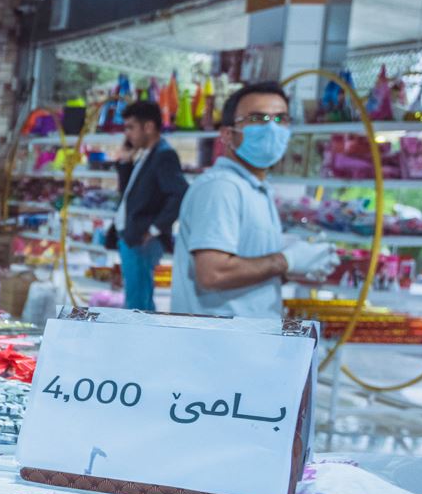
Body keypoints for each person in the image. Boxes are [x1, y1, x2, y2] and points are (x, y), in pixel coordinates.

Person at [171, 82, 336, 318]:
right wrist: (286, 261)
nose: (271, 129)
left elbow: (250, 264)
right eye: (258, 119)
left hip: (248, 340)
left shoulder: (257, 189)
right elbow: (212, 273)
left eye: (280, 119)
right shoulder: (222, 187)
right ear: (227, 134)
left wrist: (298, 263)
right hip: (218, 344)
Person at [102, 100, 188, 311]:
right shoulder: (148, 154)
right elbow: (129, 193)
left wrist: (154, 229)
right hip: (132, 236)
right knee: (135, 299)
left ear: (148, 127)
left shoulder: (164, 155)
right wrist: (124, 161)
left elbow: (179, 194)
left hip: (142, 239)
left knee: (138, 305)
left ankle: (137, 342)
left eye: (131, 127)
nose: (127, 134)